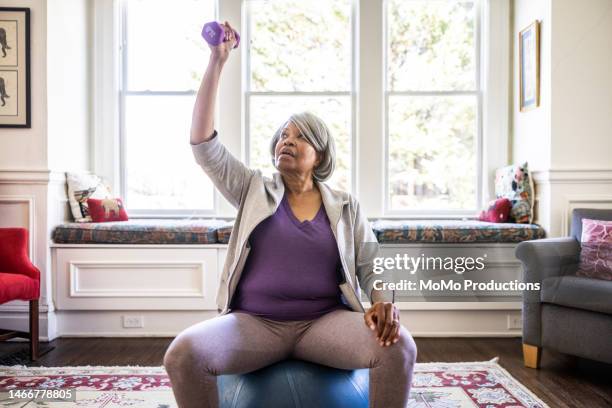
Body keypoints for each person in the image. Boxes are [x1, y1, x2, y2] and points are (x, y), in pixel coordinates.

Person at [164, 21, 417, 408]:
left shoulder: (346, 205)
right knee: (182, 355)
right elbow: (202, 144)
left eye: (299, 136)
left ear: (320, 154)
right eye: (283, 135)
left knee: (399, 348)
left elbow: (372, 266)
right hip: (255, 324)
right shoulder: (252, 189)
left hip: (324, 323)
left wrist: (384, 303)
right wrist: (217, 61)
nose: (287, 141)